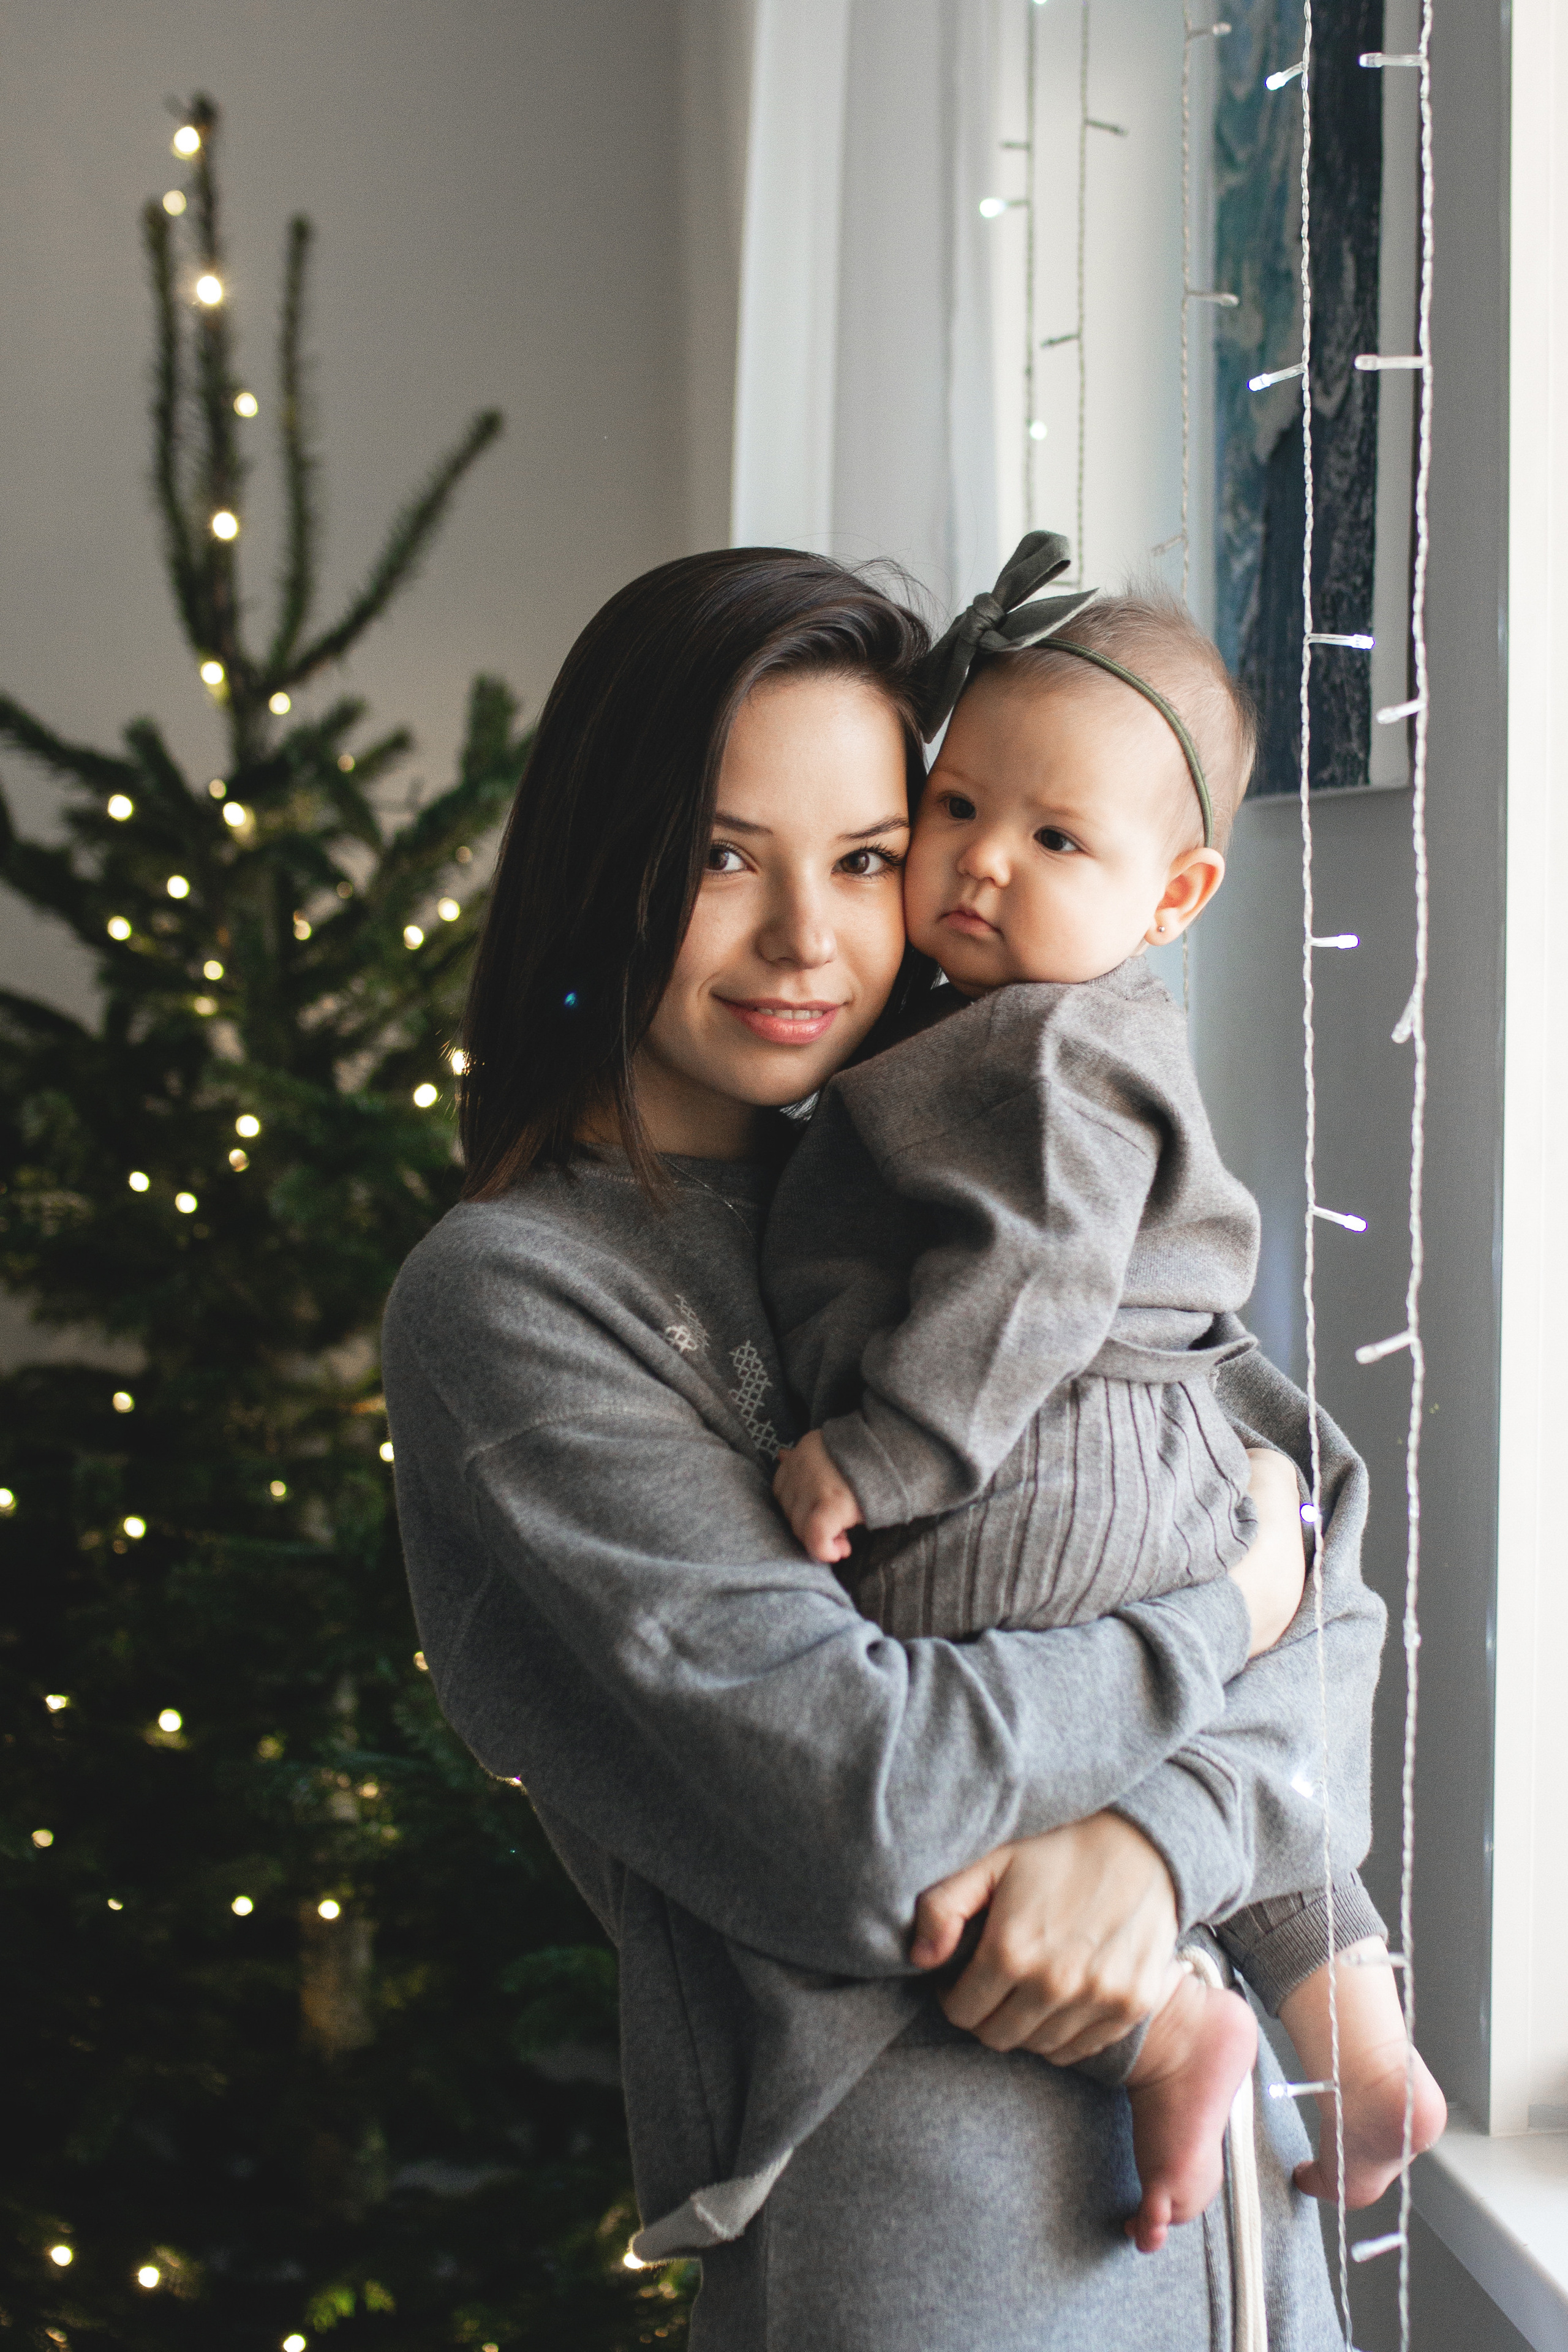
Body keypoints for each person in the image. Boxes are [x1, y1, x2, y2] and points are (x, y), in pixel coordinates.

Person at [382, 546, 1385, 2351]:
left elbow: (1330, 1557)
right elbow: (867, 1801)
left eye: (862, 857)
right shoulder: (519, 1293)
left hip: (1233, 2203)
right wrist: (1220, 1619)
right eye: (718, 858)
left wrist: (1157, 1846)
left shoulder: (973, 1161)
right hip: (923, 2216)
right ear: (604, 866)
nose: (809, 941)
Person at [764, 561, 1446, 2255]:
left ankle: (1156, 2020)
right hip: (1172, 1455)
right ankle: (1352, 2029)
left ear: (1175, 892)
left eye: (1057, 840)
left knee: (922, 1697)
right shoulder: (1020, 1024)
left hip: (1050, 1451)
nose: (982, 859)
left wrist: (888, 1449)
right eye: (956, 806)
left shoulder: (1045, 1052)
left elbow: (1035, 1280)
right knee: (1167, 1722)